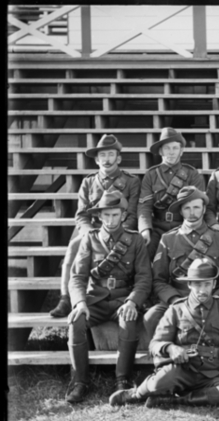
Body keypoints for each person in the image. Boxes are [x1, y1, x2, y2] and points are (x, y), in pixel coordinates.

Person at [109, 258, 219, 408]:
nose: (202, 290)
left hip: (210, 374)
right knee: (157, 383)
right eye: (197, 284)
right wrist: (171, 348)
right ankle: (135, 394)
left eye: (206, 284)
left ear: (214, 284)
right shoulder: (176, 309)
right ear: (189, 284)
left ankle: (174, 400)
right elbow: (155, 344)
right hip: (181, 371)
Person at [65, 190, 152, 403]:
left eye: (115, 215)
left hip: (122, 300)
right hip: (94, 300)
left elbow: (144, 278)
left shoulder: (135, 240)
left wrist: (132, 301)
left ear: (123, 215)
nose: (111, 220)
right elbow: (77, 276)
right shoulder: (89, 239)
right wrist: (79, 303)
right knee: (76, 322)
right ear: (99, 216)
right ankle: (79, 382)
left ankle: (123, 380)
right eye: (107, 215)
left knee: (129, 320)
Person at [143, 186, 219, 344]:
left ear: (204, 208)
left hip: (212, 296)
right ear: (181, 211)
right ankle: (167, 359)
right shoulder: (168, 239)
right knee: (152, 316)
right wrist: (175, 300)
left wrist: (216, 300)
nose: (192, 212)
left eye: (196, 207)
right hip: (179, 297)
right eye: (187, 208)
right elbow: (159, 280)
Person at [50, 134, 140, 317]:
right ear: (97, 159)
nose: (106, 159)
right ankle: (66, 299)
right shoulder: (88, 182)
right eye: (102, 155)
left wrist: (118, 230)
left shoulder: (132, 181)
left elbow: (131, 214)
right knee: (74, 246)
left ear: (118, 158)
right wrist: (90, 234)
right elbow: (82, 214)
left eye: (110, 154)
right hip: (93, 228)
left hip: (119, 227)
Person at [138, 127, 205, 258]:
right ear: (161, 151)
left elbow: (200, 204)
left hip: (184, 225)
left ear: (181, 151)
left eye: (175, 148)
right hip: (157, 227)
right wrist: (145, 230)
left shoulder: (192, 174)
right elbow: (144, 206)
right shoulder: (151, 175)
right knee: (144, 252)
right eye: (167, 148)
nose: (171, 152)